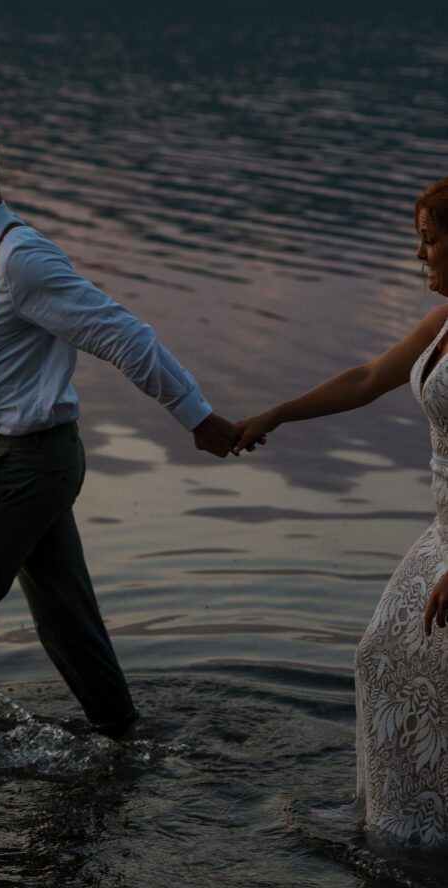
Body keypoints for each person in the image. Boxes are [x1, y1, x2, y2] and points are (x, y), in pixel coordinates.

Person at [0, 124, 241, 754]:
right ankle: (126, 739)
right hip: (21, 458)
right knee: (64, 617)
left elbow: (122, 333)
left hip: (32, 465)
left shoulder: (22, 260)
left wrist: (196, 415)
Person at [235, 176, 448, 847]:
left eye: (431, 240)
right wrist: (278, 413)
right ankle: (396, 820)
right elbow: (367, 377)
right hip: (441, 530)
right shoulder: (446, 320)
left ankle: (418, 828)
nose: (421, 256)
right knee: (381, 657)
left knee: (412, 667)